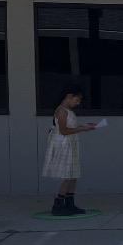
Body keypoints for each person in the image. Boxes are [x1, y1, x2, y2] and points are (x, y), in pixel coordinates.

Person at [43, 84, 97, 216]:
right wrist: (82, 128)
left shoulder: (68, 111)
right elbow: (64, 131)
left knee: (73, 175)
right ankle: (58, 205)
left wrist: (84, 127)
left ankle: (69, 203)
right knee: (67, 175)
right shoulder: (61, 111)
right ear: (69, 96)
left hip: (71, 145)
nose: (78, 103)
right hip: (64, 146)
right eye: (77, 100)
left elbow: (70, 127)